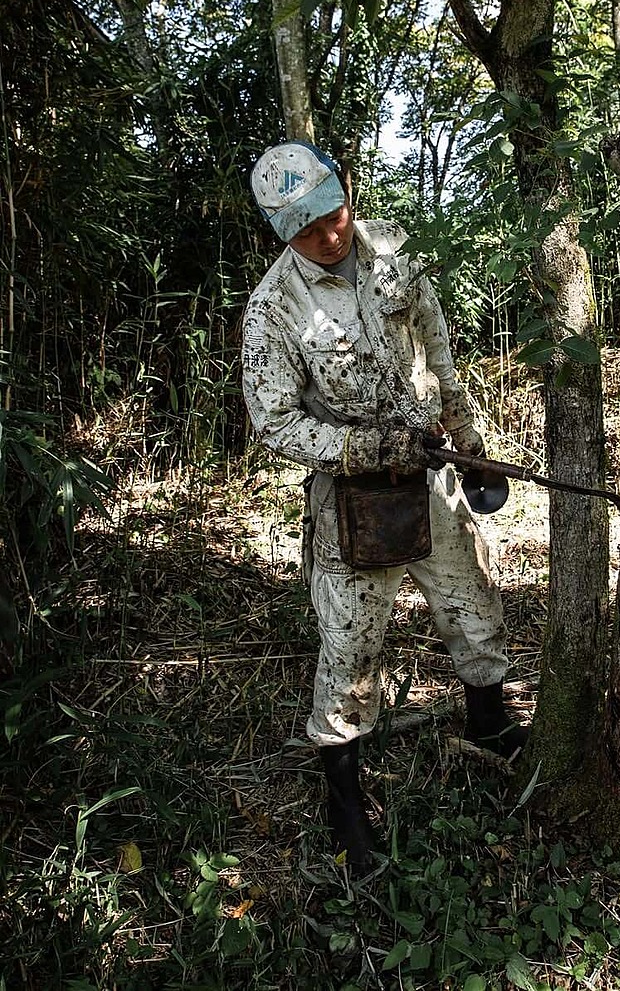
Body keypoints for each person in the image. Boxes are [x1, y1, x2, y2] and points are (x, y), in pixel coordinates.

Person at [241, 140, 528, 870]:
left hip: (432, 476)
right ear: (282, 232)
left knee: (474, 603)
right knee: (351, 647)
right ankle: (345, 803)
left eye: (332, 215)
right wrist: (363, 447)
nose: (328, 236)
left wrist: (468, 435)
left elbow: (436, 345)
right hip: (353, 501)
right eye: (307, 230)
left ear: (344, 191)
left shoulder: (394, 249)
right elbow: (273, 421)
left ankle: (490, 725)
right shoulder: (274, 308)